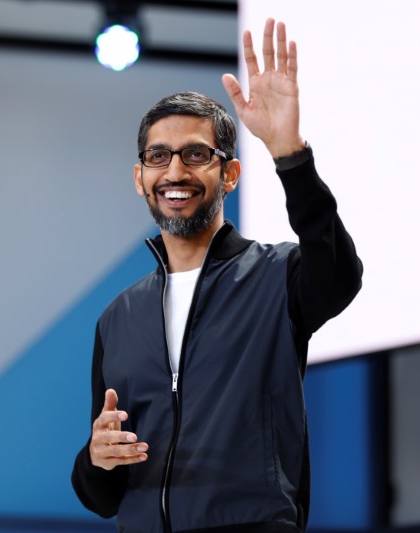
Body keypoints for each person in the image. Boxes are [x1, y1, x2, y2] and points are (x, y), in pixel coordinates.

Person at [70, 18, 363, 533]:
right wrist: (96, 458)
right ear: (141, 179)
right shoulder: (117, 318)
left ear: (229, 174)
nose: (176, 172)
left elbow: (340, 276)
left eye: (196, 155)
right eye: (158, 157)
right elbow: (101, 496)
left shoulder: (278, 276)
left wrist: (289, 152)